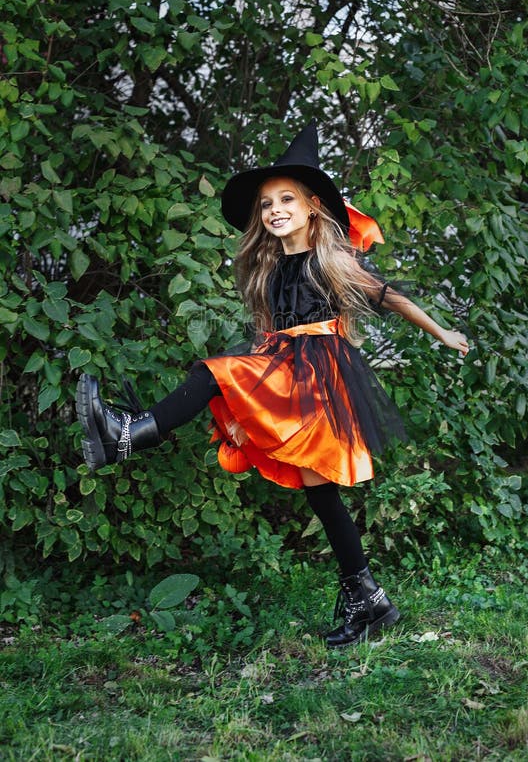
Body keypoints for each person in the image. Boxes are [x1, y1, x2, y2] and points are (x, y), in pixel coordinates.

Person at [76, 120, 469, 648]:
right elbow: (265, 344)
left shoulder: (331, 260)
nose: (275, 209)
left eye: (286, 198)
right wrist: (242, 411)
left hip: (320, 378)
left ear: (311, 206)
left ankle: (129, 434)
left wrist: (442, 332)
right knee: (318, 490)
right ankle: (369, 601)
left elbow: (389, 297)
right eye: (266, 204)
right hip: (286, 372)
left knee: (223, 383)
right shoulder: (267, 267)